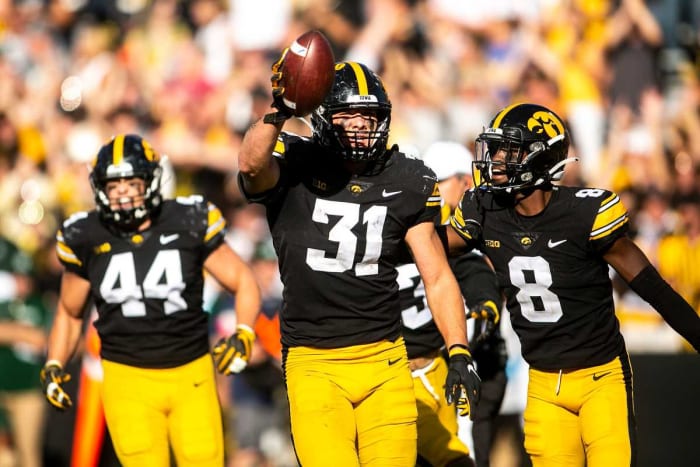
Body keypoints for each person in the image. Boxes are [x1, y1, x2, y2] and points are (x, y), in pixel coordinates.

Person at [236, 59, 480, 466]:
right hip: (314, 361)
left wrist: (459, 350)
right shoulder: (294, 162)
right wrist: (280, 107)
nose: (361, 125)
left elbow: (436, 274)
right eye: (349, 115)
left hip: (384, 358)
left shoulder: (407, 178)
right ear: (324, 117)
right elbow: (250, 164)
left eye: (369, 116)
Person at [446, 102, 700, 467]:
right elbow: (433, 248)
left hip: (601, 379)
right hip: (544, 384)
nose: (497, 158)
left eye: (509, 149)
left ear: (540, 157)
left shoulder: (584, 214)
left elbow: (653, 289)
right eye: (496, 148)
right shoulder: (484, 208)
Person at [40, 134, 262, 467]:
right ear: (100, 189)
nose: (123, 193)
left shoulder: (188, 220)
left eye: (131, 182)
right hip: (126, 377)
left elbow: (242, 280)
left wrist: (244, 330)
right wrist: (55, 362)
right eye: (114, 186)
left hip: (191, 372)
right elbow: (70, 312)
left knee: (204, 460)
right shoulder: (85, 235)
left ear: (152, 180)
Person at [397, 142, 507, 467]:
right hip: (402, 364)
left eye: (439, 181)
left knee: (461, 453)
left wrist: (481, 313)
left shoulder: (461, 226)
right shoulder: (392, 222)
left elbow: (477, 278)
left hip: (455, 365)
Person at [0, 236, 48, 467]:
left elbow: (40, 338)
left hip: (27, 389)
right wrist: (19, 332)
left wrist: (11, 331)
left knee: (29, 456)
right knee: (5, 457)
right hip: (2, 386)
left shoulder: (36, 304)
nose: (20, 282)